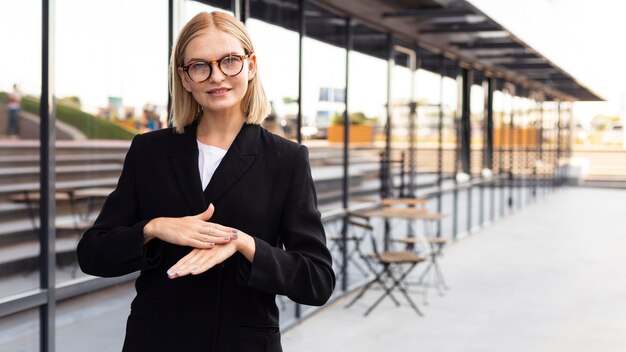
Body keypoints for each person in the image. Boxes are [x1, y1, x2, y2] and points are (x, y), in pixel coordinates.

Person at [77, 11, 335, 352]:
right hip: (155, 341)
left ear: (251, 66)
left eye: (229, 61)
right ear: (184, 78)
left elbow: (316, 280)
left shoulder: (286, 159)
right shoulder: (150, 151)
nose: (216, 77)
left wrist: (245, 244)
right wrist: (153, 228)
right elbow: (93, 253)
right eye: (199, 66)